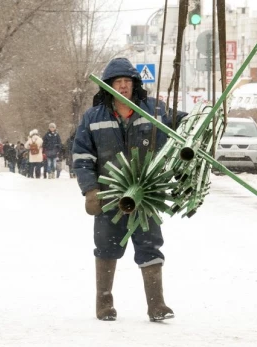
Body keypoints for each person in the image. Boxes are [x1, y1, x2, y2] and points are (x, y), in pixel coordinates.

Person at [73, 57, 184, 322]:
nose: (122, 87)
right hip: (109, 194)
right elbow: (82, 156)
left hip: (145, 193)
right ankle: (104, 303)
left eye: (127, 82)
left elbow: (181, 124)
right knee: (106, 246)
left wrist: (203, 118)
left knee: (150, 245)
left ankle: (156, 305)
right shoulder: (93, 117)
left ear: (135, 85)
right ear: (107, 85)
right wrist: (90, 190)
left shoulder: (154, 111)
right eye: (117, 82)